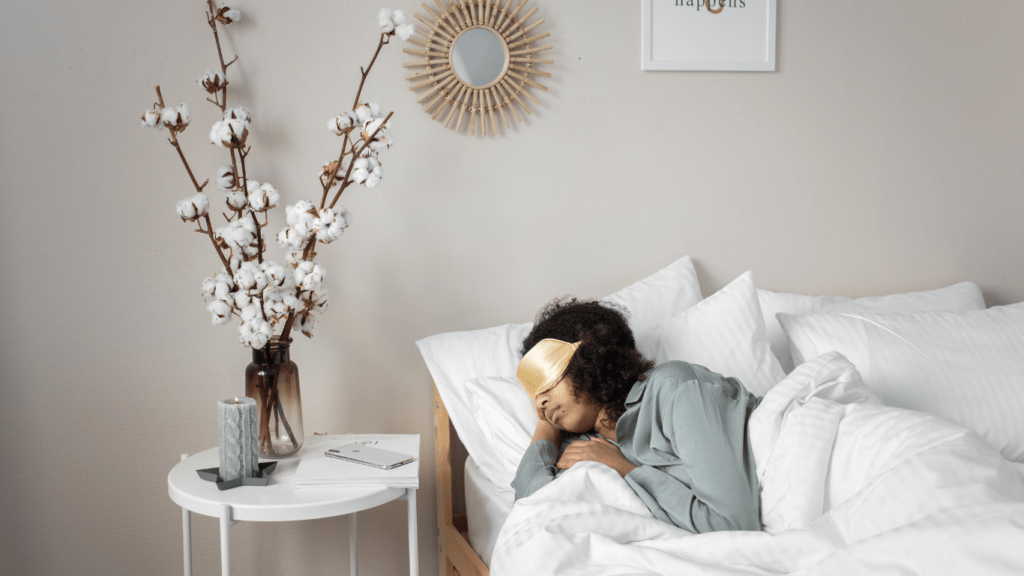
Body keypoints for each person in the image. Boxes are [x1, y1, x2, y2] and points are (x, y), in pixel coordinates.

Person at [511, 297, 763, 534]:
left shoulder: (674, 387)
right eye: (533, 392)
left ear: (589, 355)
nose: (539, 401)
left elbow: (734, 524)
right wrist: (546, 426)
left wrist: (624, 468)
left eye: (545, 378)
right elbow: (533, 511)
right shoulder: (586, 447)